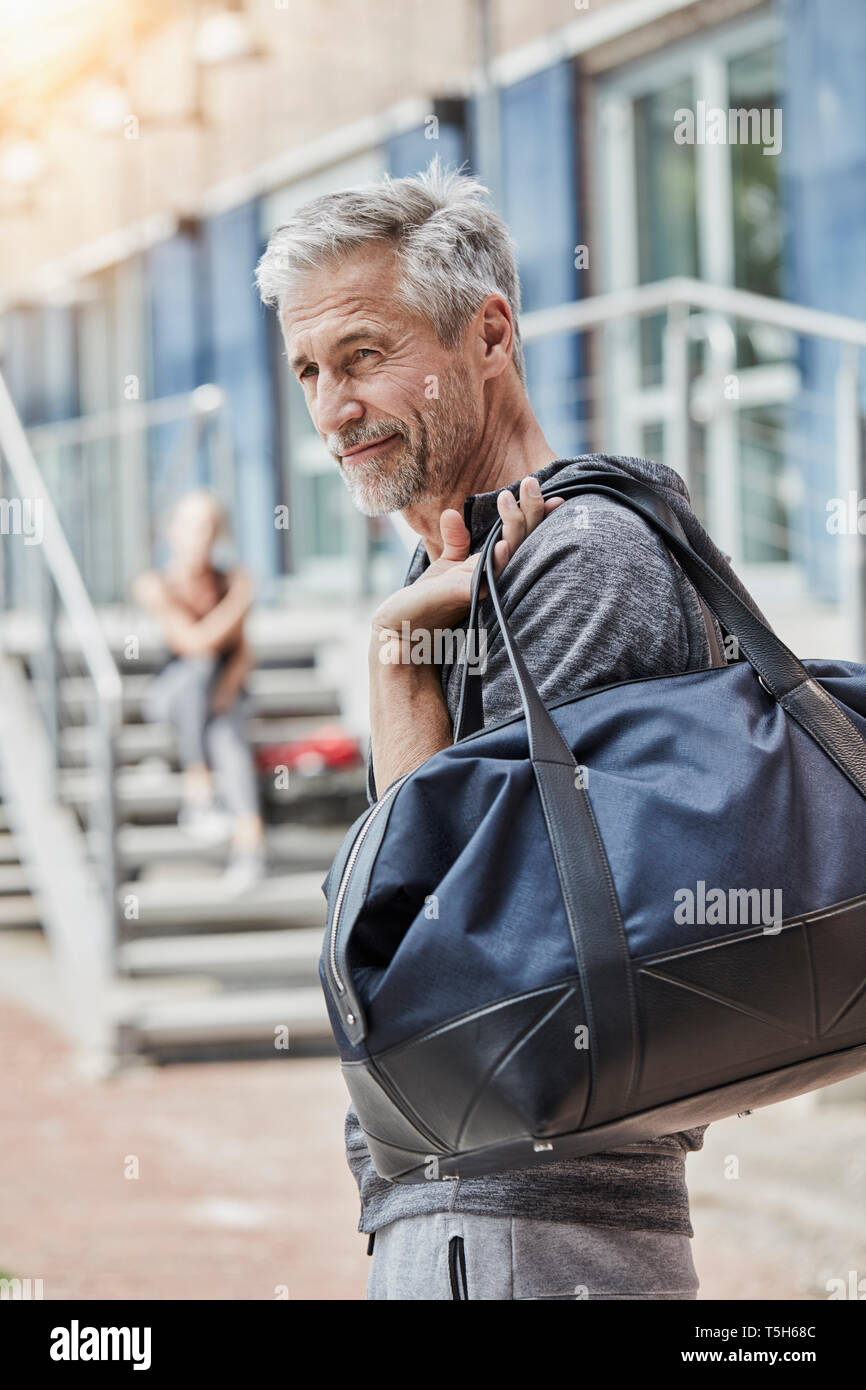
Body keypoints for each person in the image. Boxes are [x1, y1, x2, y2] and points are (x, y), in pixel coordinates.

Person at [256, 159, 764, 1300]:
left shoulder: (582, 560)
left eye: (364, 356)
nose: (331, 412)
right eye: (308, 372)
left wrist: (398, 659)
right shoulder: (471, 565)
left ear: (488, 335)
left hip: (523, 1224)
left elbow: (456, 966)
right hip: (481, 1215)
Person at [134, 490, 266, 893]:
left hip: (222, 698)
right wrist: (240, 601)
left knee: (226, 731)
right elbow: (194, 643)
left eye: (208, 526)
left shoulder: (226, 579)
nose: (201, 536)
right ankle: (199, 784)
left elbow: (243, 655)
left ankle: (246, 844)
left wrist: (225, 690)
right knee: (201, 666)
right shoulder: (155, 584)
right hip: (169, 698)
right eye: (192, 525)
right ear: (173, 531)